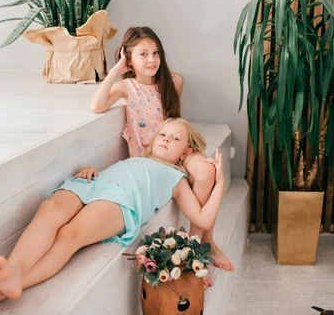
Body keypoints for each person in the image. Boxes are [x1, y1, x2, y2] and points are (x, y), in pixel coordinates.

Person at [0, 118, 225, 308]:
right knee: (50, 209)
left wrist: (219, 184)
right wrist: (93, 169)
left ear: (186, 153)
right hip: (95, 182)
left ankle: (12, 285)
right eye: (163, 134)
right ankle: (13, 268)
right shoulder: (138, 157)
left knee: (70, 233)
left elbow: (201, 218)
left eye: (175, 138)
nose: (166, 139)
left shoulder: (176, 178)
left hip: (123, 201)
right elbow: (117, 169)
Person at [90, 27, 234, 283]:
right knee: (200, 172)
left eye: (155, 52)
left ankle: (201, 242)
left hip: (176, 146)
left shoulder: (173, 82)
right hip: (153, 156)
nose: (152, 60)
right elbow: (97, 105)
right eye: (143, 54)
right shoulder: (127, 87)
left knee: (208, 170)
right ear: (129, 59)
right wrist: (116, 70)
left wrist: (185, 147)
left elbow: (174, 119)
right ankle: (195, 253)